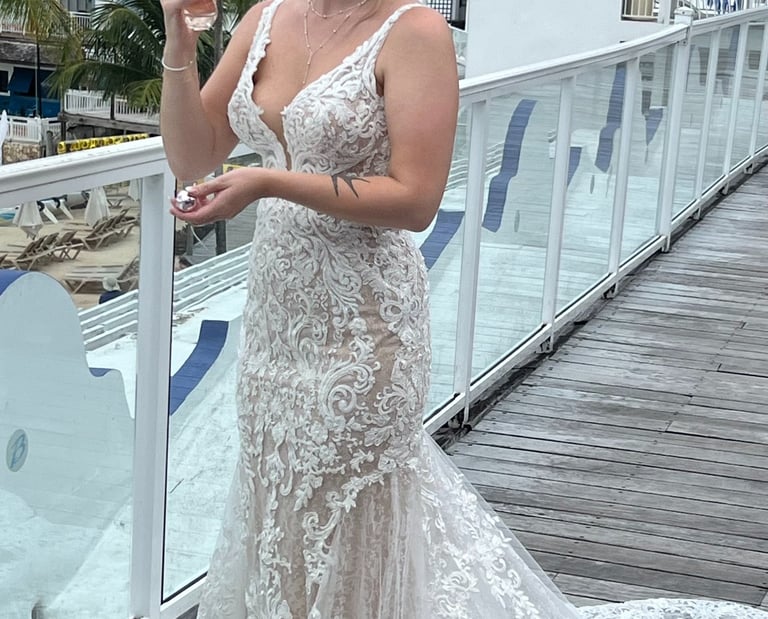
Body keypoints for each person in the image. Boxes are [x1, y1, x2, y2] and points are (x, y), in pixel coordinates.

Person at [159, 1, 768, 617]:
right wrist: (178, 49)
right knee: (278, 495)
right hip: (276, 320)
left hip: (364, 329)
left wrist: (269, 182)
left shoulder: (413, 31)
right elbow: (193, 155)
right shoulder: (265, 16)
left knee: (351, 505)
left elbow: (416, 197)